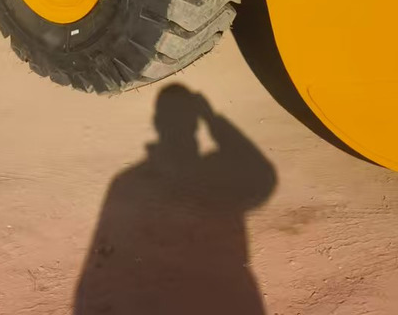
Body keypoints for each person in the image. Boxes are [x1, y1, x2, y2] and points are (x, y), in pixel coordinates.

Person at [73, 85, 277, 315]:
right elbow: (263, 178)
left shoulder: (129, 184)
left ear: (157, 122)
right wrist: (213, 120)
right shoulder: (219, 174)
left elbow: (99, 266)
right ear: (195, 123)